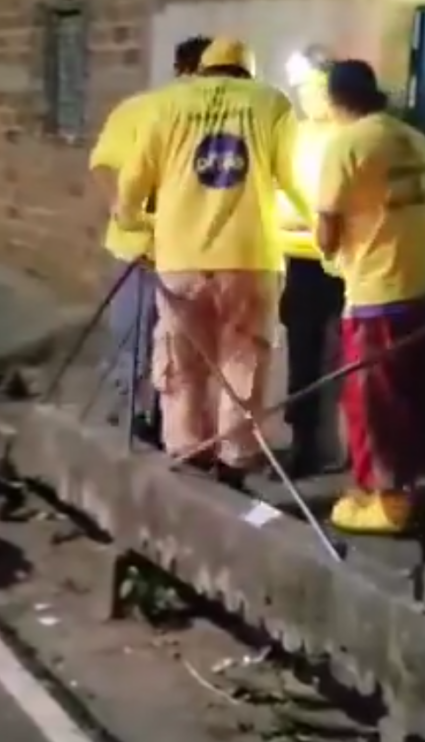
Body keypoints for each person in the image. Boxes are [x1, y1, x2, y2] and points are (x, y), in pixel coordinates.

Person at [113, 37, 311, 486]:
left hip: (179, 260)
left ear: (202, 69)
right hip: (250, 259)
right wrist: (321, 227)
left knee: (182, 361)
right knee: (242, 363)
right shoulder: (271, 102)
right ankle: (234, 464)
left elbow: (129, 192)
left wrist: (142, 228)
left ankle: (187, 455)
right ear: (248, 72)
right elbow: (293, 181)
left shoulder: (166, 105)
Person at [315, 60, 425, 535]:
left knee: (374, 401)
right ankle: (402, 491)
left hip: (379, 292)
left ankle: (389, 503)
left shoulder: (348, 143)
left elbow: (327, 229)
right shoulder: (412, 137)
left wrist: (333, 246)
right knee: (415, 396)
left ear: (334, 100)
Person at [88, 36, 212, 445]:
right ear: (186, 71)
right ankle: (134, 420)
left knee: (179, 345)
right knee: (136, 339)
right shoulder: (142, 110)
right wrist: (128, 217)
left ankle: (167, 424)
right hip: (142, 251)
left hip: (192, 252)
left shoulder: (223, 115)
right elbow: (105, 166)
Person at [277, 45, 348, 477]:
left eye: (313, 88)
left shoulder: (349, 134)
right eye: (301, 88)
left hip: (344, 259)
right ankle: (303, 442)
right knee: (302, 356)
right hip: (299, 260)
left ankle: (344, 447)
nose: (305, 97)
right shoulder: (295, 135)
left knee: (347, 356)